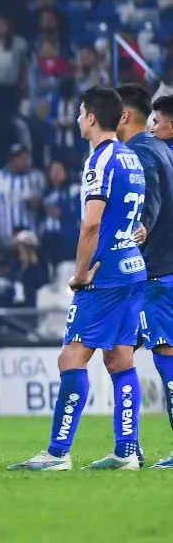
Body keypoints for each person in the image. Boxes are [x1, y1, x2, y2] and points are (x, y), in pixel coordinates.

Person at [9, 86, 146, 472]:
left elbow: (91, 223)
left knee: (71, 356)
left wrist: (80, 273)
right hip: (133, 269)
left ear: (90, 118)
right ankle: (126, 451)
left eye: (80, 112)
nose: (76, 118)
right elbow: (136, 214)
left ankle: (57, 453)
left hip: (105, 275)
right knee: (120, 359)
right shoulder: (130, 158)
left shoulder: (100, 161)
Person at [119, 88, 173, 468]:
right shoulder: (166, 151)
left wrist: (143, 225)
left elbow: (149, 194)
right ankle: (127, 448)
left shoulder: (142, 151)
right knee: (118, 351)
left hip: (155, 273)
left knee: (166, 357)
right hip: (155, 274)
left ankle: (128, 449)